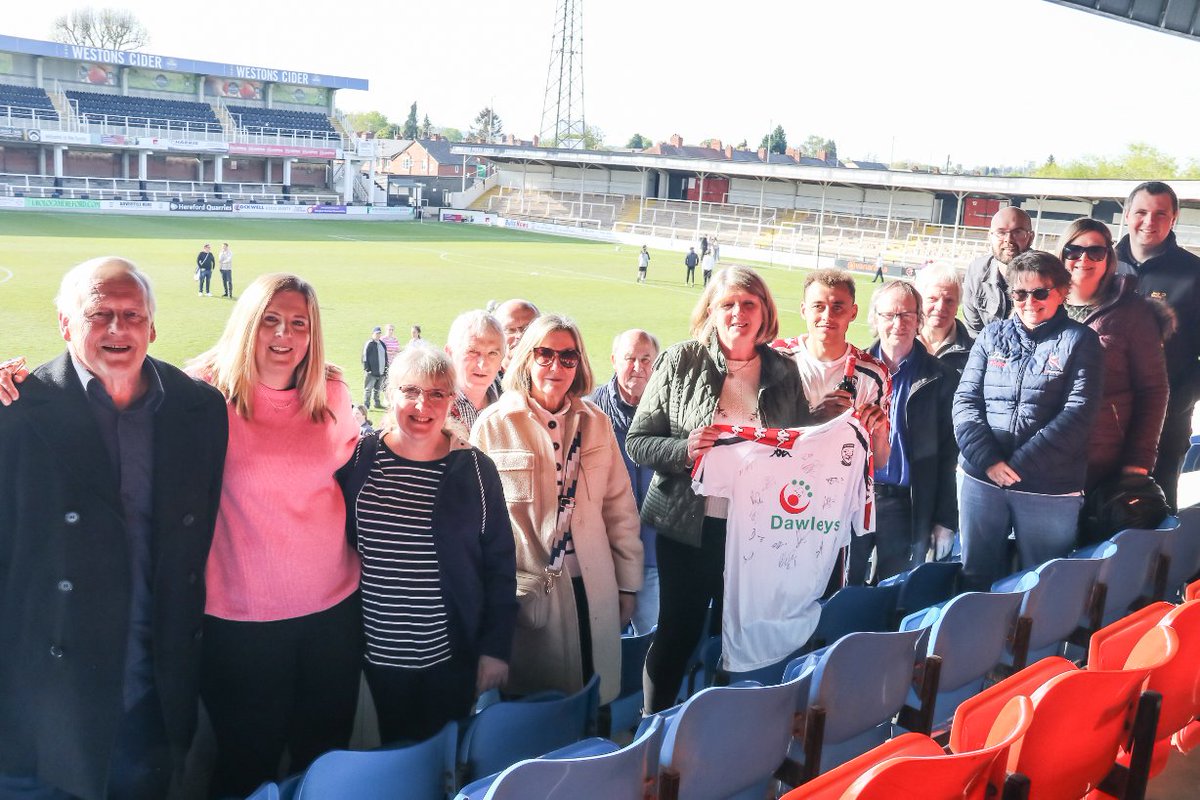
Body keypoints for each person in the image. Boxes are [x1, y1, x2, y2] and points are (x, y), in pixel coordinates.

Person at [0, 257, 227, 800]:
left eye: (132, 315)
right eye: (100, 314)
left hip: (151, 690)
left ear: (153, 326)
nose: (119, 329)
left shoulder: (199, 407)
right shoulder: (16, 408)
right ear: (64, 323)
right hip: (48, 696)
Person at [187, 273, 362, 796]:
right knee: (247, 766)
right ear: (248, 323)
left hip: (333, 615)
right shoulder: (201, 392)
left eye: (298, 323)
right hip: (240, 624)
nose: (284, 334)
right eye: (271, 320)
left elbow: (352, 464)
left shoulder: (330, 392)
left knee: (323, 761)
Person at [626, 266, 814, 712]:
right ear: (710, 310)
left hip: (754, 534)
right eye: (727, 304)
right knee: (677, 632)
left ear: (765, 311)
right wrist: (685, 447)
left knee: (740, 634)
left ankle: (719, 726)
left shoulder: (784, 371)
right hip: (687, 529)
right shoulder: (680, 360)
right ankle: (653, 731)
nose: (738, 313)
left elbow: (802, 448)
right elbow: (638, 442)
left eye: (749, 304)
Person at [338, 344, 516, 743]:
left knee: (437, 764)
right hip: (371, 660)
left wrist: (495, 648)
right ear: (390, 394)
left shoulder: (475, 469)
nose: (423, 404)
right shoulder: (359, 460)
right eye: (411, 391)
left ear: (452, 401)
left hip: (448, 661)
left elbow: (501, 566)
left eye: (437, 393)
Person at [472, 314, 642, 706]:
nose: (556, 366)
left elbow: (620, 509)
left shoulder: (596, 424)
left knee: (593, 698)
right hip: (530, 600)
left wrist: (628, 584)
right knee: (537, 709)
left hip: (593, 590)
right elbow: (477, 528)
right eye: (545, 354)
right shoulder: (493, 426)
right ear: (527, 359)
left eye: (568, 357)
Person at [953, 251, 1104, 591]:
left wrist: (1019, 465)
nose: (1029, 301)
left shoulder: (1081, 340)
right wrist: (988, 460)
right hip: (982, 479)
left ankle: (1034, 647)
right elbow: (965, 402)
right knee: (975, 578)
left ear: (1062, 292)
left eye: (1040, 292)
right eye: (1020, 293)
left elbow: (1079, 412)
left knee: (1042, 582)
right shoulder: (992, 335)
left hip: (1049, 486)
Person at [855, 281, 959, 584]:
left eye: (906, 315)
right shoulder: (853, 369)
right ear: (875, 319)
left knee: (892, 592)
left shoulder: (941, 377)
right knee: (844, 584)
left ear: (918, 320)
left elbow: (949, 456)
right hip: (856, 499)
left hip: (907, 505)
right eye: (889, 315)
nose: (897, 324)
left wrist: (944, 519)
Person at [1060, 218, 1171, 492]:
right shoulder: (1040, 302)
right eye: (1074, 250)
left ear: (1108, 257)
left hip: (1101, 462)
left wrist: (1139, 461)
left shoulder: (1133, 312)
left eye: (1095, 251)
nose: (1083, 259)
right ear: (1061, 254)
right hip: (1040, 458)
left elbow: (1154, 390)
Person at [1115, 181, 1200, 512]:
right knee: (1098, 506)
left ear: (1174, 218)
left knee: (1157, 509)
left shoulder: (1194, 273)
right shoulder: (1101, 264)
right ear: (1126, 215)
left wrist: (1181, 398)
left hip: (1168, 418)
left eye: (1160, 214)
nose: (1149, 221)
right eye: (1141, 212)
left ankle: (1155, 565)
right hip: (1107, 414)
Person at [771, 268, 892, 464]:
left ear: (853, 312)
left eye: (838, 307)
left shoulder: (874, 374)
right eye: (818, 306)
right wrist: (813, 418)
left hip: (839, 491)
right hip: (780, 485)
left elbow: (879, 461)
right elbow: (760, 438)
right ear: (804, 310)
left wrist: (879, 432)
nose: (828, 316)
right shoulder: (776, 357)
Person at [589, 329, 661, 635]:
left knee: (650, 644)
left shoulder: (671, 411)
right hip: (602, 556)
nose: (638, 367)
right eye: (630, 358)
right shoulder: (591, 412)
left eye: (646, 359)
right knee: (602, 643)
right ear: (614, 361)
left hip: (654, 554)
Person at [962, 207, 1034, 334]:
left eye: (1018, 232)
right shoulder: (975, 272)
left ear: (1031, 237)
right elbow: (973, 332)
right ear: (990, 237)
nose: (1009, 240)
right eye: (1001, 233)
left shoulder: (1047, 274)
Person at [445, 309, 505, 438]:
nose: (482, 364)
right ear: (449, 353)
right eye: (472, 351)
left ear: (502, 360)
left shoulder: (509, 406)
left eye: (492, 353)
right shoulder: (431, 408)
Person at [915, 262, 975, 374]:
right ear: (919, 301)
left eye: (949, 301)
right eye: (933, 299)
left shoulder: (974, 353)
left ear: (957, 306)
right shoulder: (903, 344)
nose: (940, 307)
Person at [493, 299, 540, 376]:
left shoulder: (552, 375)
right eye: (510, 330)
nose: (519, 336)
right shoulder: (483, 379)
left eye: (527, 329)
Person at [362, 326, 388, 410]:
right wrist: (367, 369)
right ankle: (366, 405)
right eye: (376, 333)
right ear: (373, 334)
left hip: (381, 371)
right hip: (371, 372)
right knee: (368, 389)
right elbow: (364, 357)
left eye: (379, 333)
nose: (378, 335)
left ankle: (377, 403)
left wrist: (385, 369)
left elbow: (385, 357)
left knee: (377, 389)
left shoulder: (382, 344)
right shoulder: (369, 343)